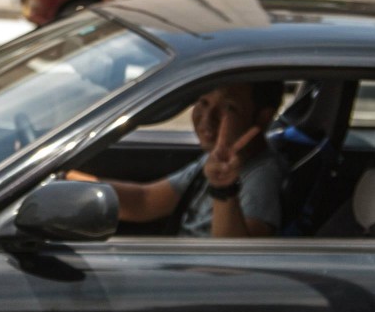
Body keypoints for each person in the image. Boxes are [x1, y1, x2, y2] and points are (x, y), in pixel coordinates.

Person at [68, 81, 285, 238]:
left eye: (229, 108)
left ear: (263, 118)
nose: (207, 118)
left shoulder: (262, 177)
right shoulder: (216, 160)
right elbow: (144, 201)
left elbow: (237, 262)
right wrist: (64, 180)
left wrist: (224, 189)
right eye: (203, 102)